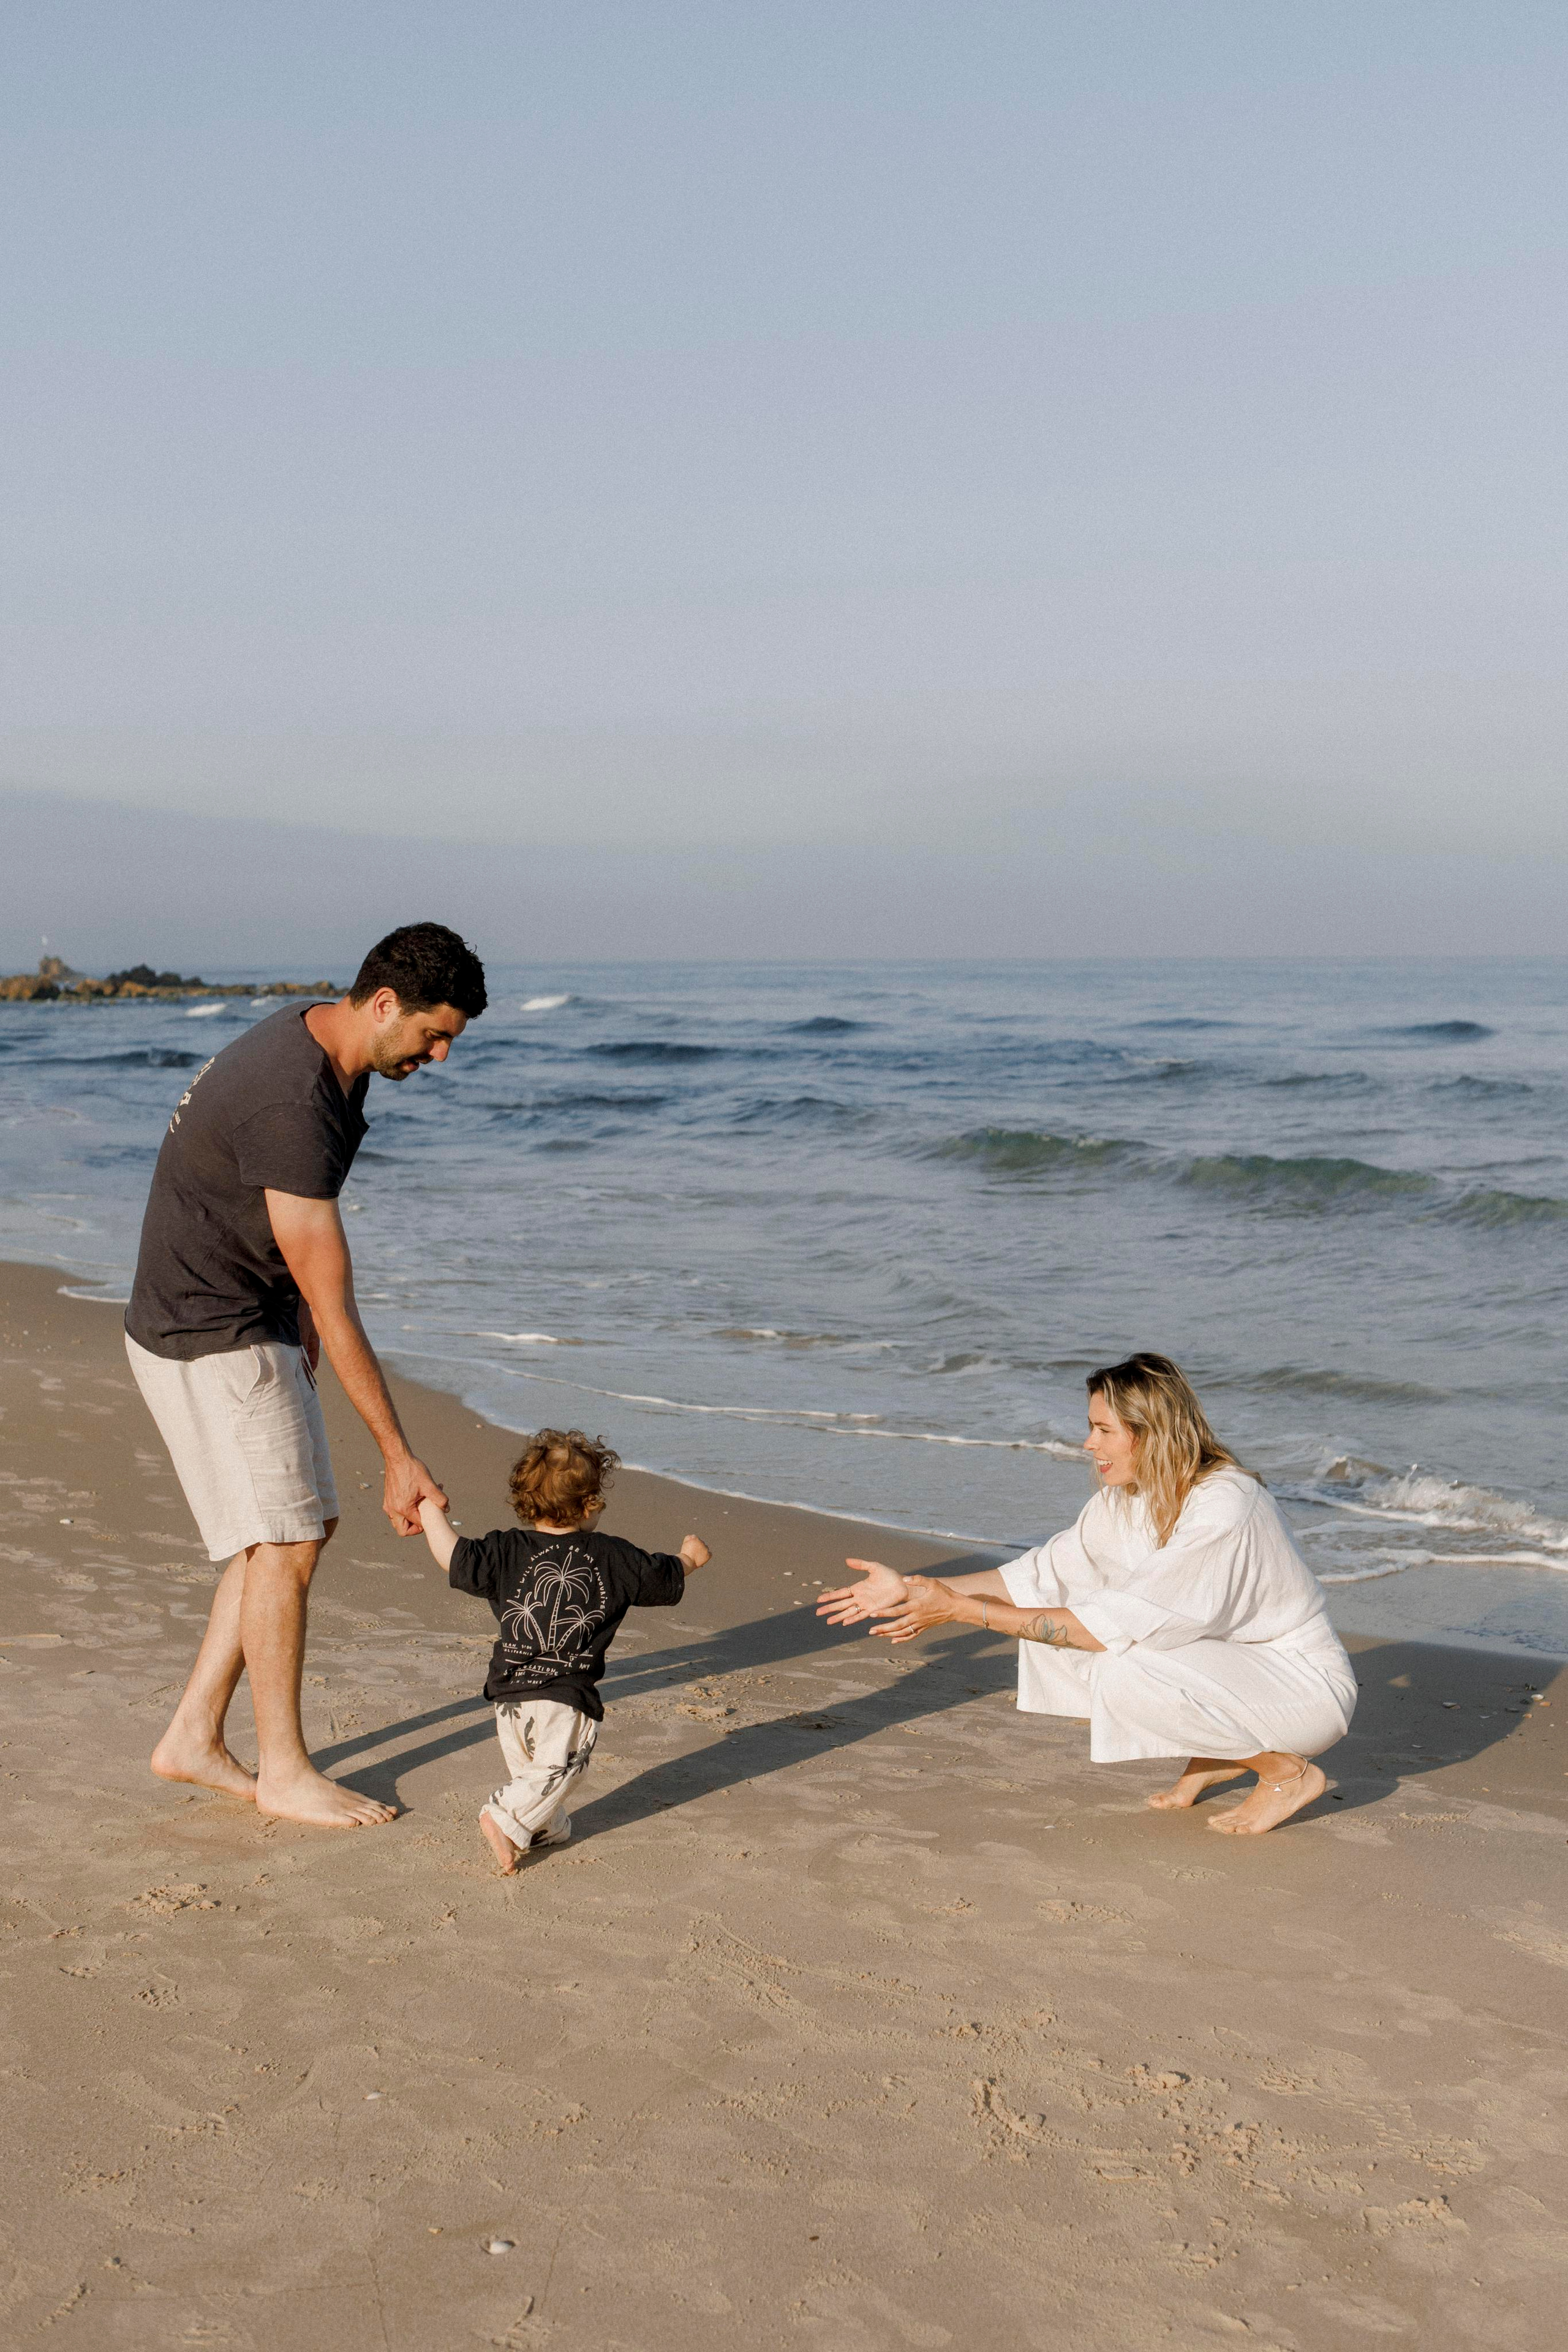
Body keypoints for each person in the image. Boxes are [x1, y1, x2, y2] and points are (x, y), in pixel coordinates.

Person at [124, 921, 488, 1829]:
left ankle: (194, 1736)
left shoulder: (319, 1044)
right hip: (211, 1329)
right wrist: (399, 1458)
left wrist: (291, 1312)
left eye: (451, 1040)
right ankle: (283, 1771)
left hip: (228, 1307)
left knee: (293, 1528)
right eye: (431, 1033)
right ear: (381, 1003)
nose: (439, 1056)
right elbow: (337, 1300)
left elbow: (270, 1229)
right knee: (284, 1543)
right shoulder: (294, 1103)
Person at [818, 1352, 1356, 1834]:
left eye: (1103, 1430)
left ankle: (1285, 1772)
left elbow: (1106, 1627)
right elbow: (1037, 1575)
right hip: (1233, 1669)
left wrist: (960, 1610)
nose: (1088, 1444)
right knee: (1077, 1630)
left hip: (1302, 1688)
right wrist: (913, 1590)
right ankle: (1220, 1752)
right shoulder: (1127, 1498)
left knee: (1122, 1659)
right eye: (1090, 1427)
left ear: (1151, 1433)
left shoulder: (1226, 1506)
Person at [417, 1428, 712, 1872]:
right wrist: (689, 1559)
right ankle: (502, 1817)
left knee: (535, 1775)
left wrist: (427, 1510)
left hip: (510, 1694)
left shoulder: (504, 1550)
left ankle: (544, 1828)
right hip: (565, 1694)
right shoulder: (612, 1556)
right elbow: (659, 1578)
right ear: (591, 1503)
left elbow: (453, 1555)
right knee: (565, 1769)